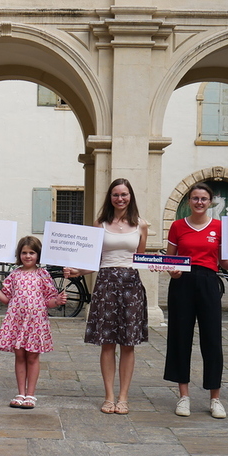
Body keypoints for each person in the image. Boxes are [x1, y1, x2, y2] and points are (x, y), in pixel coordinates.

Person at [162, 182, 228, 419]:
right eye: (195, 198)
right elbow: (170, 260)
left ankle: (215, 398)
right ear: (189, 201)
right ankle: (184, 396)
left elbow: (223, 261)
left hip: (208, 282)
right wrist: (172, 272)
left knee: (212, 339)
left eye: (204, 198)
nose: (199, 202)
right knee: (180, 337)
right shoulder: (177, 226)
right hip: (182, 283)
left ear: (210, 201)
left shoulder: (218, 227)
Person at [65, 178, 148, 415]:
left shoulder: (141, 225)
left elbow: (140, 259)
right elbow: (93, 259)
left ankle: (124, 397)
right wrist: (77, 271)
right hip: (106, 284)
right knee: (108, 342)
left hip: (131, 285)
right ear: (110, 197)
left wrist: (162, 265)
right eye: (115, 195)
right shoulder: (99, 224)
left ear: (130, 196)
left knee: (128, 343)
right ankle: (109, 396)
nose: (120, 199)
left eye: (124, 194)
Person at [0, 236, 66, 409]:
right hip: (16, 321)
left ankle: (31, 394)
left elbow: (48, 301)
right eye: (24, 253)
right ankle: (20, 392)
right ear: (19, 254)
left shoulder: (43, 274)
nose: (28, 256)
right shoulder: (14, 274)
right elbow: (6, 299)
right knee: (20, 356)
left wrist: (58, 301)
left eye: (32, 253)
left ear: (38, 255)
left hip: (35, 322)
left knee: (33, 357)